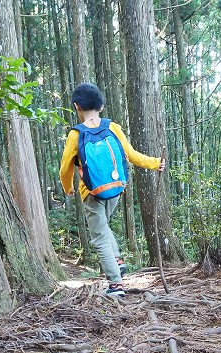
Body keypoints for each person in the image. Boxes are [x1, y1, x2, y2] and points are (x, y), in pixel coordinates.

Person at [60, 83, 165, 297]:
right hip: (116, 188)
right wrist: (155, 163)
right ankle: (116, 258)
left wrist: (68, 188)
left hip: (91, 193)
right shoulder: (112, 127)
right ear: (101, 106)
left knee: (99, 237)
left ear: (76, 106)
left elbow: (65, 167)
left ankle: (116, 285)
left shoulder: (76, 134)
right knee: (103, 227)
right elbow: (131, 155)